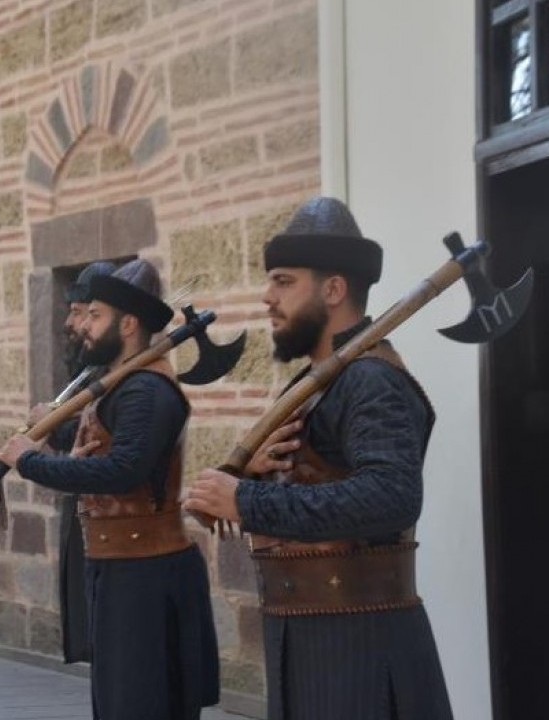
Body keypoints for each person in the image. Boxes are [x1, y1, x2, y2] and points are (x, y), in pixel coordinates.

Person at [184, 196, 453, 720]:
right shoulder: (320, 381)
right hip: (312, 634)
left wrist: (248, 500)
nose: (267, 297)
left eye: (284, 282)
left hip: (360, 646)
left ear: (333, 289)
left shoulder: (371, 379)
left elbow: (391, 497)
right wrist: (266, 474)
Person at [0, 259, 220, 720]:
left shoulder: (146, 389)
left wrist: (29, 460)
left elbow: (123, 471)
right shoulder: (121, 386)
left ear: (129, 322)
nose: (86, 326)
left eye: (95, 315)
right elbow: (103, 444)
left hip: (147, 574)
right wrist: (57, 435)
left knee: (140, 704)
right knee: (120, 703)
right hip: (120, 568)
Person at [54, 260, 115, 665]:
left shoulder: (124, 375)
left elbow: (93, 439)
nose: (73, 323)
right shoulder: (86, 365)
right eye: (78, 313)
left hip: (114, 516)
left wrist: (48, 428)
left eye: (85, 313)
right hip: (86, 502)